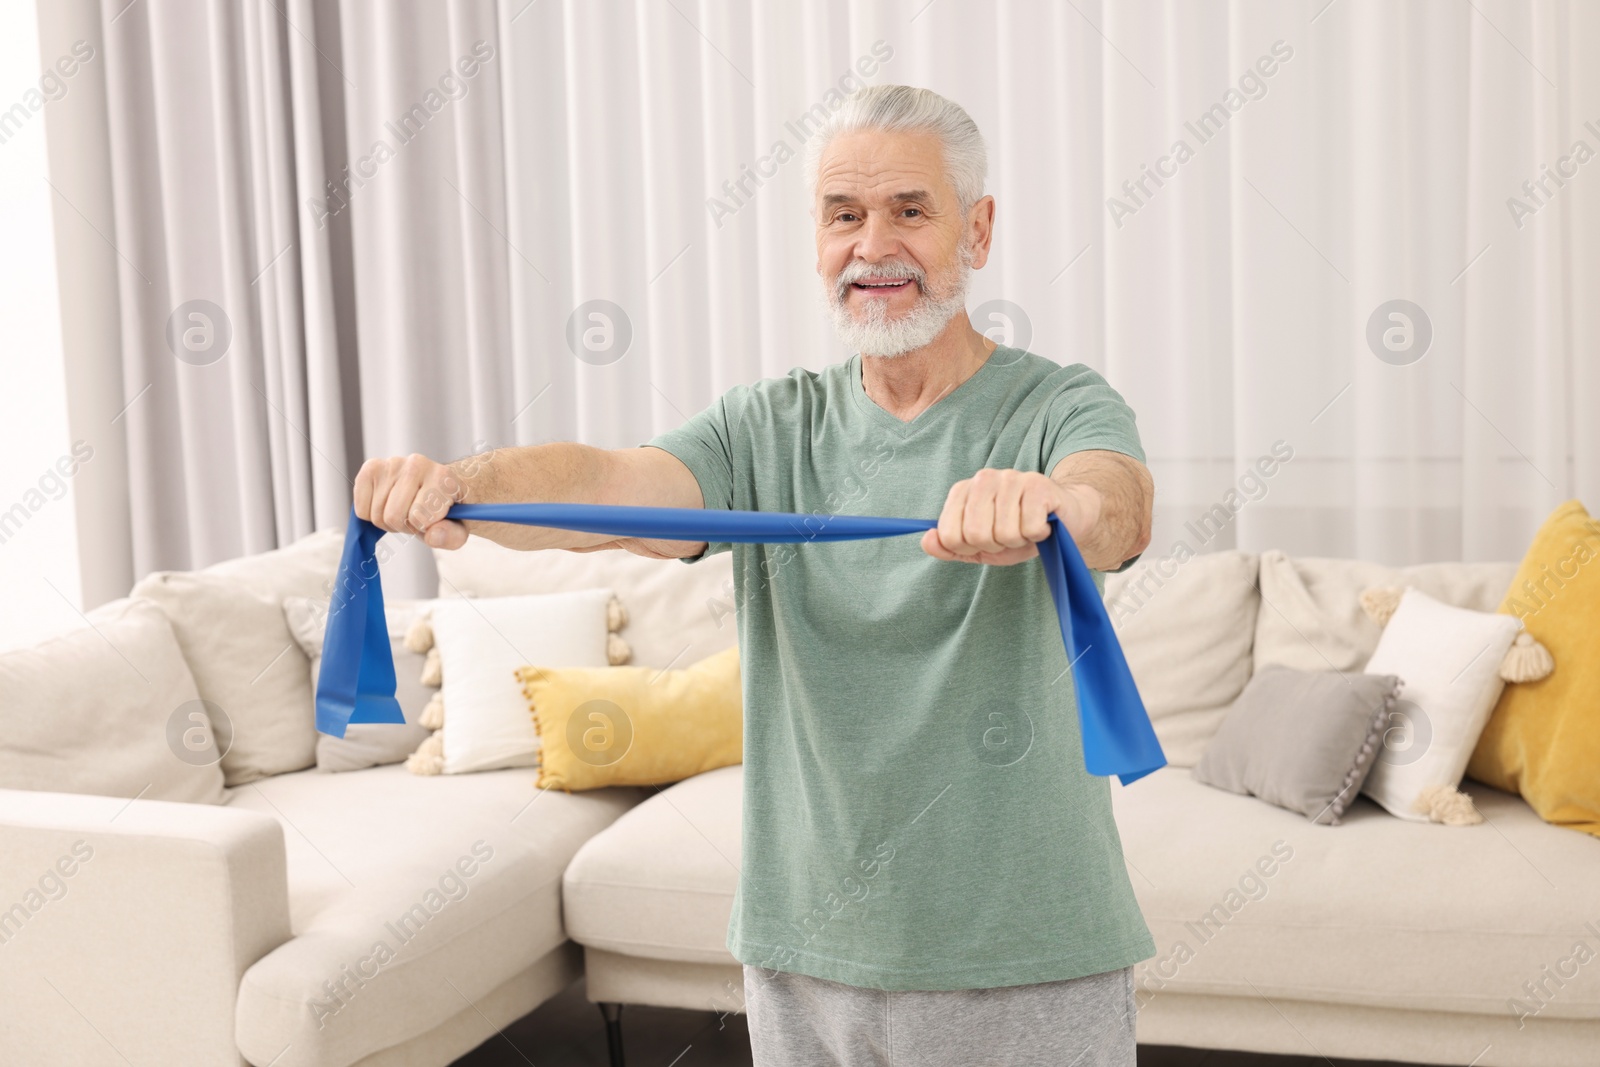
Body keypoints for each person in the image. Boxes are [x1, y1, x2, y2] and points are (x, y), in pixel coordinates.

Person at [356, 84, 1156, 1067]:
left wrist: (1050, 507)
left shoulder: (1059, 404)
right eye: (843, 215)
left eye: (910, 210)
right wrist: (457, 483)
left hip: (1030, 953)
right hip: (804, 951)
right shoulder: (763, 427)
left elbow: (1113, 505)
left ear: (976, 230)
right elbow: (606, 484)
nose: (873, 245)